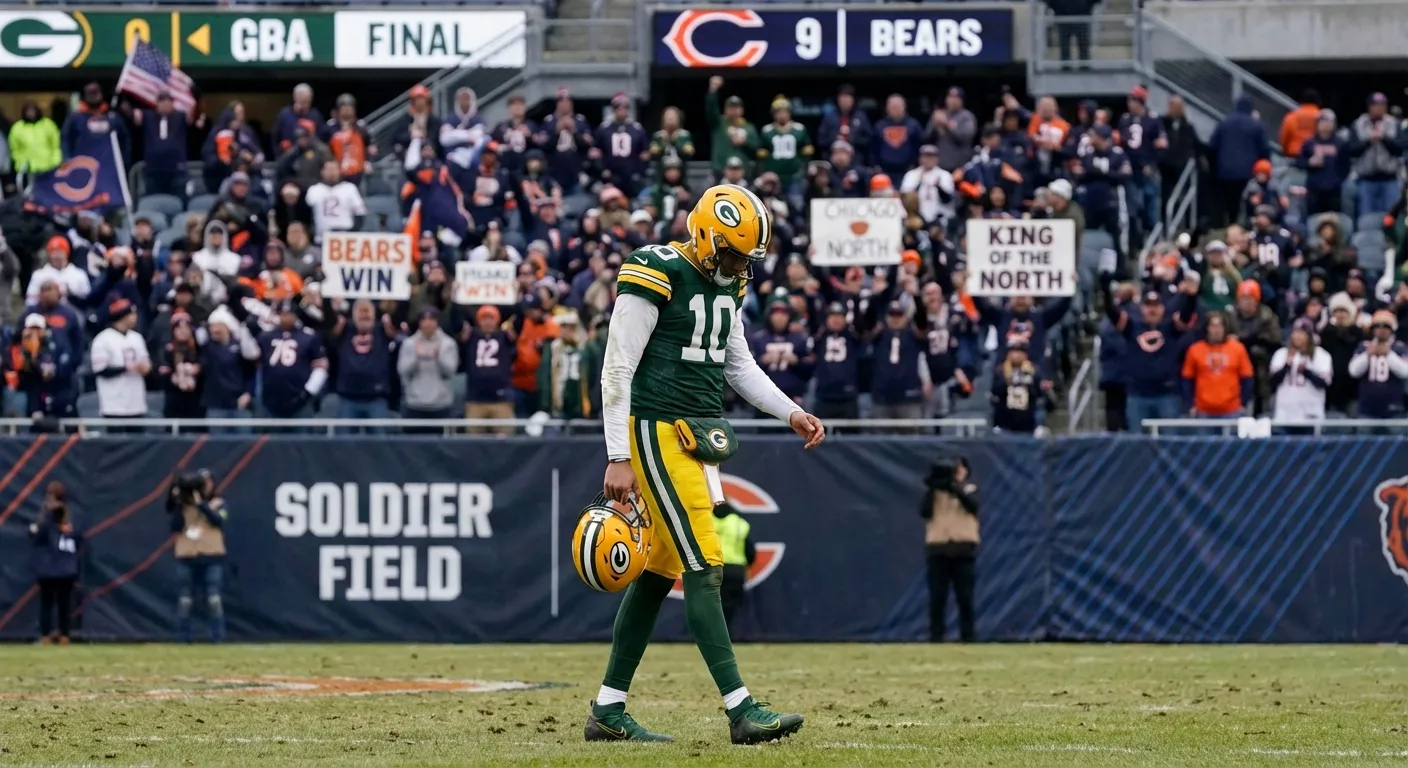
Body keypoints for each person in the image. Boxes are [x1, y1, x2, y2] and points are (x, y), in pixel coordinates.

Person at [591, 185, 825, 743]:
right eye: (734, 253)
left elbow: (737, 365)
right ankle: (741, 709)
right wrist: (618, 455)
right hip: (655, 430)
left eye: (748, 257)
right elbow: (616, 369)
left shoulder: (732, 285)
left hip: (694, 434)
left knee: (660, 573)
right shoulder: (655, 269)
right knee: (706, 563)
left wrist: (790, 412)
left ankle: (607, 708)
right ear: (704, 233)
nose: (740, 265)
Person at [920, 457, 978, 642]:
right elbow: (925, 512)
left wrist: (956, 488)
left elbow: (973, 505)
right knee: (937, 597)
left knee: (965, 596)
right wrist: (933, 486)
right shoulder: (934, 494)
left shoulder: (970, 489)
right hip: (939, 548)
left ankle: (968, 635)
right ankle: (936, 635)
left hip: (963, 549)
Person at [168, 471, 227, 643]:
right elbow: (175, 527)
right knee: (185, 601)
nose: (206, 486)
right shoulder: (185, 507)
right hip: (187, 555)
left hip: (212, 555)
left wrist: (201, 504)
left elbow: (219, 520)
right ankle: (184, 638)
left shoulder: (219, 503)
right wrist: (179, 502)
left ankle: (217, 638)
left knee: (214, 599)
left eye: (208, 482)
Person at [30, 482, 80, 644]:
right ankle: (64, 635)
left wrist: (33, 528)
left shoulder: (46, 520)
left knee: (46, 604)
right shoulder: (72, 519)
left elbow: (36, 536)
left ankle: (45, 636)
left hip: (49, 568)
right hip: (67, 568)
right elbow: (79, 539)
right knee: (64, 605)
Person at [1182, 312, 1254, 419]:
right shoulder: (1195, 350)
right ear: (1207, 328)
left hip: (1232, 410)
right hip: (1203, 411)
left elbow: (1247, 378)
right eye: (1213, 326)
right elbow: (1187, 379)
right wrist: (1191, 405)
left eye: (1220, 326)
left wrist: (1243, 404)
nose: (1217, 330)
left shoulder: (1238, 349)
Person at [90, 300, 150, 424]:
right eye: (132, 314)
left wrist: (146, 367)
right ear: (123, 316)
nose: (135, 317)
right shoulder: (103, 339)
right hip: (113, 403)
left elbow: (146, 362)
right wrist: (127, 368)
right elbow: (101, 370)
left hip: (136, 401)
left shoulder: (137, 338)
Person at [398, 308, 459, 423]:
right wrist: (416, 357)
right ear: (419, 323)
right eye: (424, 320)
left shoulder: (448, 343)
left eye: (431, 319)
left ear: (437, 322)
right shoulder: (409, 344)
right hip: (414, 404)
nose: (428, 323)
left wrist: (438, 357)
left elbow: (450, 372)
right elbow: (403, 371)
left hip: (441, 405)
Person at [1271, 318, 1333, 426]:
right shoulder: (1281, 354)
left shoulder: (1322, 355)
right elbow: (1272, 383)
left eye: (1303, 333)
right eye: (1296, 332)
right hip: (1285, 415)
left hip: (1311, 415)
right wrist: (1286, 366)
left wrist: (1307, 372)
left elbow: (1324, 383)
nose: (1298, 336)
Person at [713, 501, 755, 631]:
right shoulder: (740, 524)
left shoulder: (706, 522)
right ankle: (726, 634)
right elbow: (750, 551)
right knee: (730, 605)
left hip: (713, 568)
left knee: (710, 603)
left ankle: (710, 634)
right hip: (736, 569)